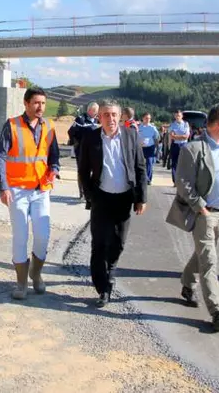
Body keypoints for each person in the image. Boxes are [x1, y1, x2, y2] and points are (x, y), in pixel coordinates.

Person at [165, 103, 219, 332]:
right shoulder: (194, 149)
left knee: (202, 253)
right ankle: (216, 311)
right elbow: (183, 183)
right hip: (205, 214)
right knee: (209, 262)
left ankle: (187, 283)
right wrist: (200, 208)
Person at [78, 100, 147, 308]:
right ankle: (103, 287)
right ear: (100, 117)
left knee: (119, 242)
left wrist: (141, 198)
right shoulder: (91, 137)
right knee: (99, 244)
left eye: (114, 115)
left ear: (120, 117)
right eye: (106, 115)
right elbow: (83, 170)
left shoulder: (130, 135)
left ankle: (110, 272)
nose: (111, 119)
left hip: (124, 198)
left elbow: (140, 167)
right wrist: (90, 196)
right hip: (101, 197)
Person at [0, 87, 60, 300]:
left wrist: (54, 170)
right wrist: (3, 187)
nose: (40, 107)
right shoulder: (12, 125)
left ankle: (36, 273)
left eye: (43, 103)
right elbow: (0, 157)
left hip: (41, 190)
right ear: (26, 103)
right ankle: (21, 282)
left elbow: (54, 157)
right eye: (36, 103)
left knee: (43, 235)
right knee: (20, 236)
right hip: (17, 190)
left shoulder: (49, 126)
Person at [67, 102, 100, 199]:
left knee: (94, 170)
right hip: (81, 151)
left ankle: (90, 192)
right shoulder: (80, 119)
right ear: (89, 110)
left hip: (93, 150)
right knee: (82, 171)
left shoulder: (96, 121)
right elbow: (71, 132)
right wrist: (77, 143)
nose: (96, 113)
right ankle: (82, 193)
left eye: (97, 112)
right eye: (95, 111)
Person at [137, 112, 160, 185]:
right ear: (143, 118)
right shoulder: (138, 127)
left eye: (149, 118)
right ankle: (141, 178)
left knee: (149, 163)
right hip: (141, 148)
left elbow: (156, 138)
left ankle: (148, 179)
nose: (148, 120)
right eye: (146, 118)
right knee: (140, 163)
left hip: (150, 147)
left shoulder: (153, 128)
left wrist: (157, 149)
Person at [168, 110, 190, 184]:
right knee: (174, 163)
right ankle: (175, 181)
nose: (178, 117)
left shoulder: (186, 124)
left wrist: (176, 136)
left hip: (183, 145)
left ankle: (182, 180)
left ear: (182, 116)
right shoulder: (172, 125)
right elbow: (172, 136)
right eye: (176, 116)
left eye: (179, 116)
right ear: (175, 116)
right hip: (175, 145)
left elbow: (186, 136)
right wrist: (181, 136)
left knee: (183, 163)